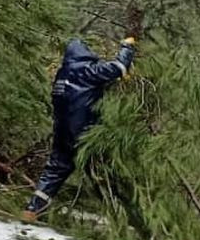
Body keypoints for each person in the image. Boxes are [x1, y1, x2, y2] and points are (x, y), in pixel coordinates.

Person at [23, 37, 137, 222]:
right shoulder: (87, 71)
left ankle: (32, 209)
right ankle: (128, 220)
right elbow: (118, 67)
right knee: (105, 176)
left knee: (56, 169)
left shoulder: (62, 75)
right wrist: (127, 47)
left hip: (62, 132)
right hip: (84, 134)